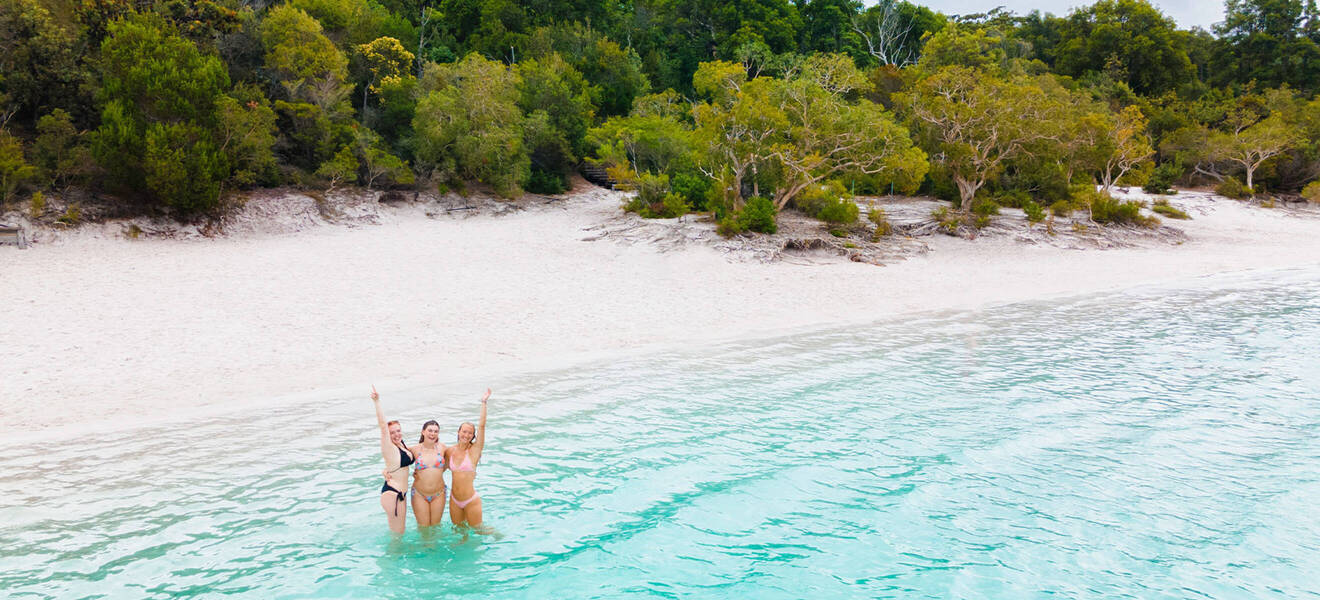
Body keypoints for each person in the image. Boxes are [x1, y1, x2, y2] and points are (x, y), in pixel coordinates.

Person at [371, 386, 414, 534]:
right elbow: (383, 426)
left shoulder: (401, 444)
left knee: (399, 534)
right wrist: (377, 401)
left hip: (400, 493)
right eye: (392, 432)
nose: (396, 434)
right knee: (397, 535)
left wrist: (385, 470)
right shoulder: (389, 447)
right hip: (393, 493)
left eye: (398, 430)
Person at [448, 388, 491, 528]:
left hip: (471, 500)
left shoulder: (474, 451)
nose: (466, 435)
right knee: (458, 532)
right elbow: (435, 466)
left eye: (470, 433)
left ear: (473, 436)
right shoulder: (449, 451)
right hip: (454, 500)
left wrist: (483, 403)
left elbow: (482, 426)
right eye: (464, 431)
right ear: (458, 432)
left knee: (480, 530)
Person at [411, 418, 449, 527]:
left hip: (439, 493)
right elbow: (398, 458)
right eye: (430, 430)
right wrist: (387, 470)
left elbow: (457, 454)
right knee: (424, 529)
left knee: (436, 527)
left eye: (436, 431)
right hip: (419, 494)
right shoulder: (414, 449)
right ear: (423, 432)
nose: (433, 434)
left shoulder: (442, 448)